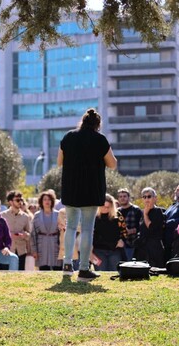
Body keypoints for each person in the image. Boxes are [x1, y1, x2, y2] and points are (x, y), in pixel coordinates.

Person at [58, 108, 117, 281]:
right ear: (98, 125)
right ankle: (84, 269)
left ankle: (67, 265)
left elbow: (59, 162)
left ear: (82, 122)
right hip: (91, 190)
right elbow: (112, 164)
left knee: (70, 226)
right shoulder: (100, 140)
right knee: (86, 229)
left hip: (71, 189)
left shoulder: (68, 137)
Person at [92, 194, 127, 271]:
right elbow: (94, 237)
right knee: (101, 273)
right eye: (102, 206)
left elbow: (124, 232)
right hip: (99, 250)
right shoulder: (94, 217)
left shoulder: (118, 216)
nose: (104, 209)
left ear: (112, 206)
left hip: (115, 251)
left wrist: (122, 240)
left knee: (115, 273)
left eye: (107, 207)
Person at [0, 190, 32, 270]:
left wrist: (25, 235)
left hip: (20, 251)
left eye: (21, 200)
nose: (20, 202)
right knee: (4, 275)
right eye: (17, 200)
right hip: (6, 250)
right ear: (10, 202)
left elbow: (30, 234)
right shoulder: (2, 215)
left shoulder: (26, 217)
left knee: (19, 275)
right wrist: (9, 235)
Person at [134, 187, 165, 268]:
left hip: (154, 247)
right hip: (143, 247)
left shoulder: (158, 211)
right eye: (144, 197)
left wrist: (146, 214)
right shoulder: (142, 211)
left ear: (155, 198)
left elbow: (151, 227)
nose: (146, 199)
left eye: (149, 196)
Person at [31, 191, 61, 271]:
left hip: (55, 245)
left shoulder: (58, 214)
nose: (47, 201)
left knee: (57, 269)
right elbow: (33, 234)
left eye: (49, 199)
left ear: (52, 201)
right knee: (43, 270)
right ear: (41, 201)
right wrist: (34, 250)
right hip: (42, 245)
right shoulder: (37, 215)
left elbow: (62, 233)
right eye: (45, 199)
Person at [117, 188, 142, 261]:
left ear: (129, 197)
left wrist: (130, 231)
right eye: (120, 196)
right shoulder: (117, 211)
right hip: (119, 244)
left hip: (132, 243)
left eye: (124, 196)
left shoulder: (136, 210)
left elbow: (141, 226)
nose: (122, 198)